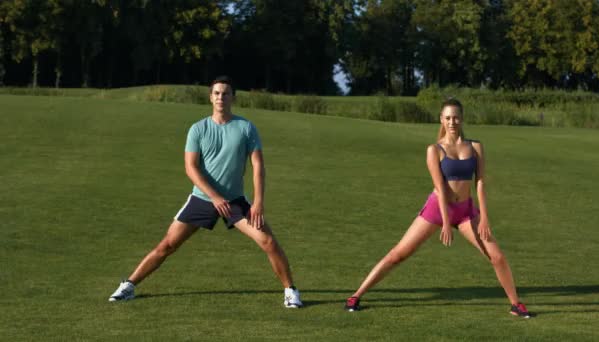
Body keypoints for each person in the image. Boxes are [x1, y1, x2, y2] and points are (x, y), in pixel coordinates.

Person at [108, 75, 303, 308]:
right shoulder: (198, 129)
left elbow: (258, 166)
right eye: (217, 93)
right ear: (211, 97)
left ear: (233, 97)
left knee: (268, 242)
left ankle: (291, 291)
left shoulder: (246, 128)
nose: (221, 97)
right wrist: (214, 197)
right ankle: (128, 286)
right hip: (203, 199)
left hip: (235, 201)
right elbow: (191, 168)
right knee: (167, 245)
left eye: (226, 93)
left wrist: (258, 202)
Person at [344, 98, 532, 318]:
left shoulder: (476, 147)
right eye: (448, 117)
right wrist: (444, 221)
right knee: (398, 254)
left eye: (456, 117)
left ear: (462, 119)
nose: (452, 121)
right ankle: (356, 295)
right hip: (437, 209)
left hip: (466, 212)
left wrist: (484, 218)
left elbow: (480, 182)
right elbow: (440, 188)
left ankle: (515, 304)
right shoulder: (434, 150)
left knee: (497, 257)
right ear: (442, 120)